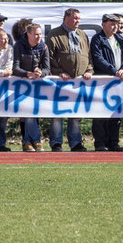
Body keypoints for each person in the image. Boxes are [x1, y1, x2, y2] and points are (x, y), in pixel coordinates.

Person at [45, 8, 93, 152]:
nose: (78, 21)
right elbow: (49, 57)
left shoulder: (82, 35)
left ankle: (76, 143)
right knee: (57, 115)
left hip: (78, 83)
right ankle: (56, 143)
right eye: (75, 18)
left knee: (76, 114)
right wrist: (59, 72)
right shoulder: (54, 34)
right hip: (60, 82)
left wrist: (89, 70)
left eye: (79, 18)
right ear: (66, 18)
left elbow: (88, 56)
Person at [90, 14, 123, 152]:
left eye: (116, 24)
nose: (115, 26)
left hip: (118, 82)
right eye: (112, 24)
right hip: (102, 81)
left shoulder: (120, 39)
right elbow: (98, 58)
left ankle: (113, 142)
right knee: (100, 114)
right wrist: (114, 71)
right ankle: (100, 143)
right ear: (104, 24)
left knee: (116, 113)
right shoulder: (97, 39)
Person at [13, 23, 51, 152]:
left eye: (40, 34)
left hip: (37, 86)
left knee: (32, 113)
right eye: (36, 34)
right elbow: (15, 67)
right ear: (28, 34)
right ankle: (34, 140)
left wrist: (41, 72)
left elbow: (47, 68)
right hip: (21, 84)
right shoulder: (18, 45)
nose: (39, 37)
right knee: (28, 113)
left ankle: (28, 142)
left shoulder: (43, 46)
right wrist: (27, 73)